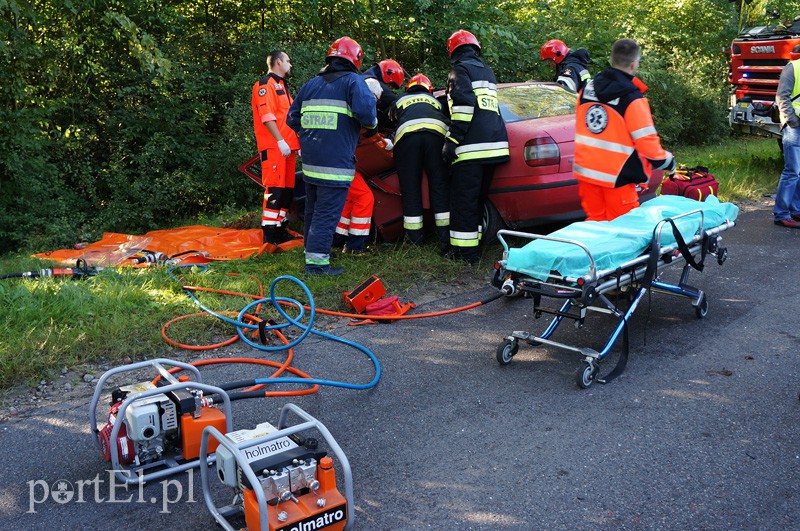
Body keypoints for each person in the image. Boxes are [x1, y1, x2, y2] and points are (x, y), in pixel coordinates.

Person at [286, 36, 378, 275]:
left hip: (311, 162)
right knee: (326, 214)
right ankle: (317, 266)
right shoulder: (353, 82)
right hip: (336, 165)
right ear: (355, 59)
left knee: (313, 211)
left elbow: (291, 118)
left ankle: (311, 253)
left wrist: (309, 137)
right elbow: (367, 116)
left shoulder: (311, 85)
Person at [574, 38, 675, 222]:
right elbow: (648, 145)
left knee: (595, 226)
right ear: (634, 63)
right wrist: (668, 162)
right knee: (625, 232)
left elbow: (583, 126)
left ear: (612, 59)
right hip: (617, 177)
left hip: (587, 173)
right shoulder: (632, 98)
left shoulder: (587, 89)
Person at [442, 29, 509, 263]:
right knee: (477, 202)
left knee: (464, 203)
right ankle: (475, 247)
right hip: (495, 148)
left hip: (471, 149)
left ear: (453, 51)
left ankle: (465, 255)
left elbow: (464, 106)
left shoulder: (459, 70)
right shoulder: (487, 71)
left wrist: (451, 141)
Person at [331, 59, 406, 254]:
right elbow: (367, 134)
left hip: (341, 162)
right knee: (365, 198)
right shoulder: (363, 100)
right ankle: (355, 246)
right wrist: (386, 143)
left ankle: (338, 240)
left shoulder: (348, 100)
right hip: (344, 164)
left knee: (349, 200)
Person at [389, 73, 451, 250]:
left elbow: (389, 120)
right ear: (429, 89)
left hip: (407, 142)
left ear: (408, 88)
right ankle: (444, 238)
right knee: (439, 186)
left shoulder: (400, 100)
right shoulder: (437, 101)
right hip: (436, 140)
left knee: (411, 188)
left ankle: (415, 239)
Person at [251, 50, 301, 244]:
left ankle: (280, 227)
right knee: (275, 190)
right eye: (288, 61)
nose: (290, 65)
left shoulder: (283, 86)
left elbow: (287, 120)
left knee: (287, 190)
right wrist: (280, 141)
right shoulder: (265, 85)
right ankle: (270, 233)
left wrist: (296, 145)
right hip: (275, 148)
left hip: (288, 149)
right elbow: (267, 117)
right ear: (278, 62)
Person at [772, 44, 800, 228]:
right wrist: (792, 121)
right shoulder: (793, 67)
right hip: (795, 127)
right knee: (792, 171)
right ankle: (781, 213)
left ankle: (796, 210)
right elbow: (782, 96)